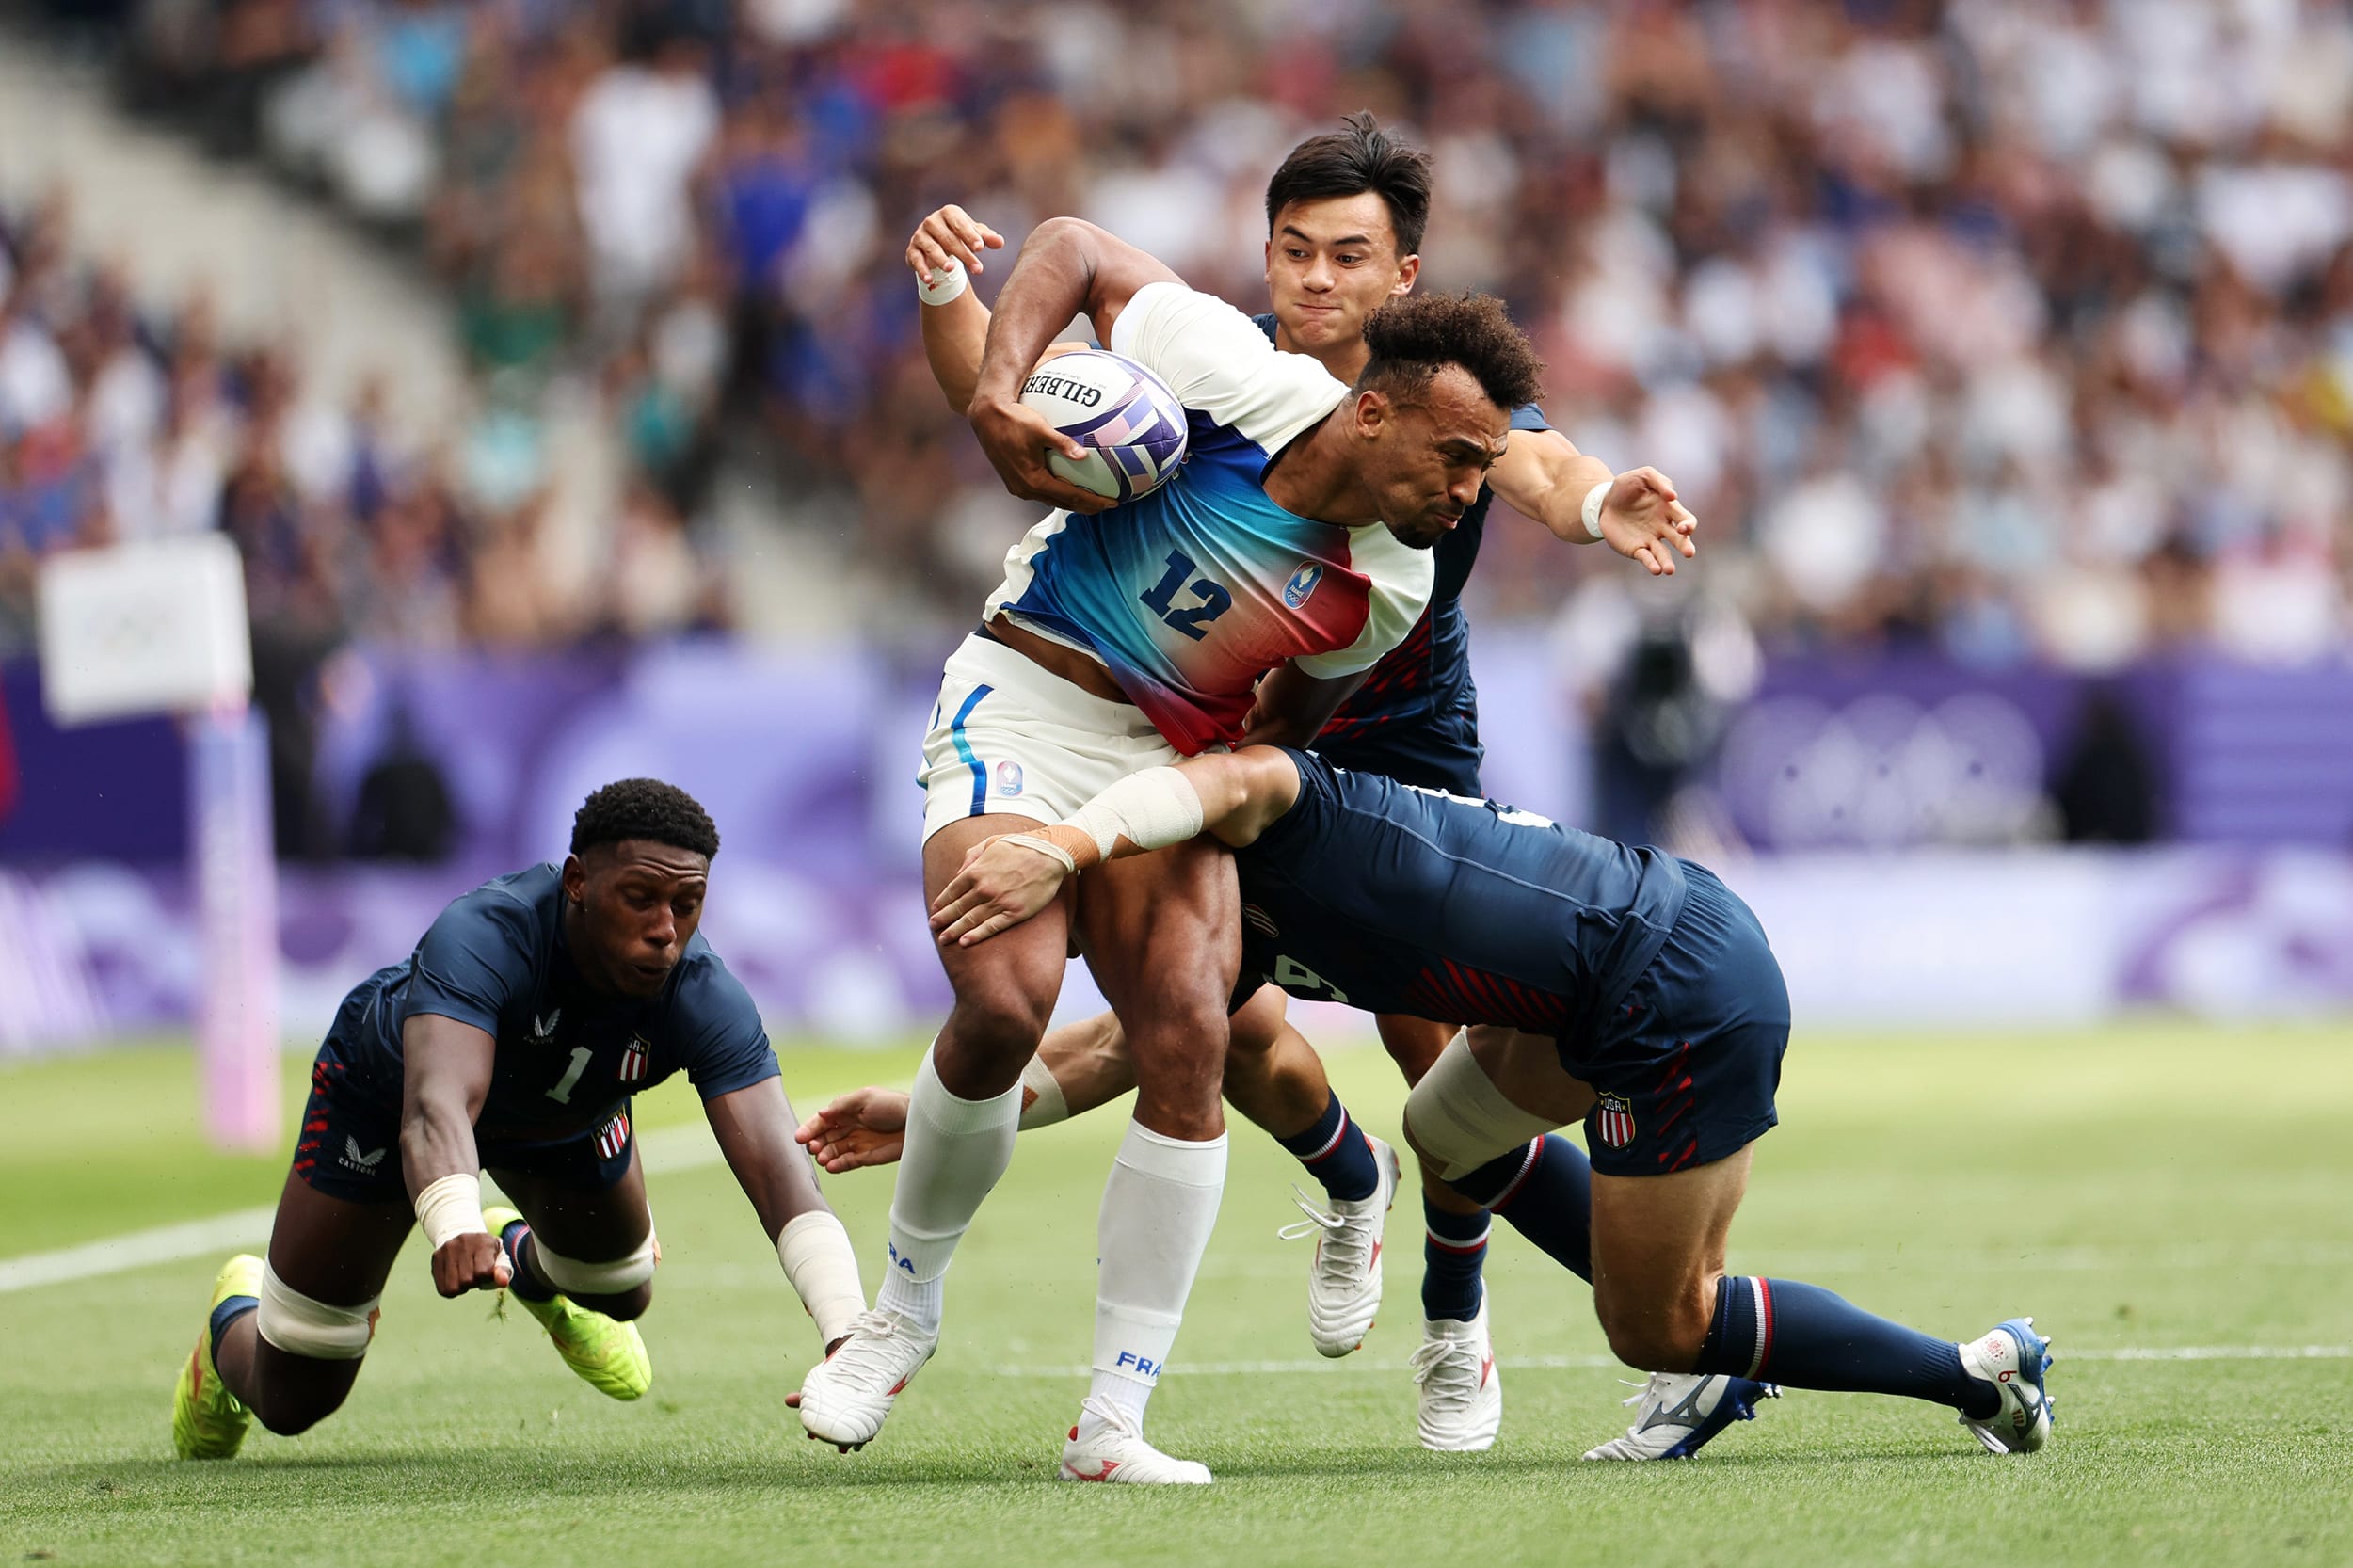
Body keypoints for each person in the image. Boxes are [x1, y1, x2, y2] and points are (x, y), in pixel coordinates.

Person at [898, 112, 1698, 1450]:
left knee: (1431, 1045)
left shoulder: (1445, 395)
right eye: (1295, 251)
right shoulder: (1209, 373)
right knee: (1222, 1019)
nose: (1318, 281)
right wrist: (950, 299)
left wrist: (1600, 498)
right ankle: (1348, 1184)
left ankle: (1457, 1320)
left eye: (1350, 257)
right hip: (1219, 736)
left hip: (1397, 737)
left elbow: (1544, 466)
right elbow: (1011, 389)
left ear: (1405, 276)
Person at [794, 210, 1550, 1485]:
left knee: (1192, 1030)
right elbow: (1076, 247)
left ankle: (1113, 1422)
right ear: (1373, 416)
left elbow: (1278, 727)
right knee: (1006, 993)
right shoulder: (1235, 379)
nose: (1472, 496)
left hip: (1170, 766)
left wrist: (1174, 815)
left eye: (1488, 470)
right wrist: (994, 393)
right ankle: (902, 1312)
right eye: (1460, 460)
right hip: (1027, 696)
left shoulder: (1398, 585)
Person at [903, 746, 2057, 1463]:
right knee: (1442, 1132)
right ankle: (1457, 1322)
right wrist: (935, 1113)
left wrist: (1058, 844)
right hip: (1613, 968)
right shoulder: (1210, 931)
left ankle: (1973, 1372)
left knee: (1658, 1324)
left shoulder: (1268, 814)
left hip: (1676, 986)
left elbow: (1241, 774)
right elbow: (1129, 1045)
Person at [170, 778, 866, 1460]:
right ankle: (233, 1311)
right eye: (640, 898)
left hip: (562, 1122)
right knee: (296, 1396)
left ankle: (524, 1262)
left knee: (621, 1289)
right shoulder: (485, 933)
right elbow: (435, 1106)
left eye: (687, 904)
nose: (665, 932)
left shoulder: (704, 993)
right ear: (576, 883)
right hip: (388, 1102)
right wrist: (454, 1221)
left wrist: (845, 1333)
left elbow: (780, 1169)